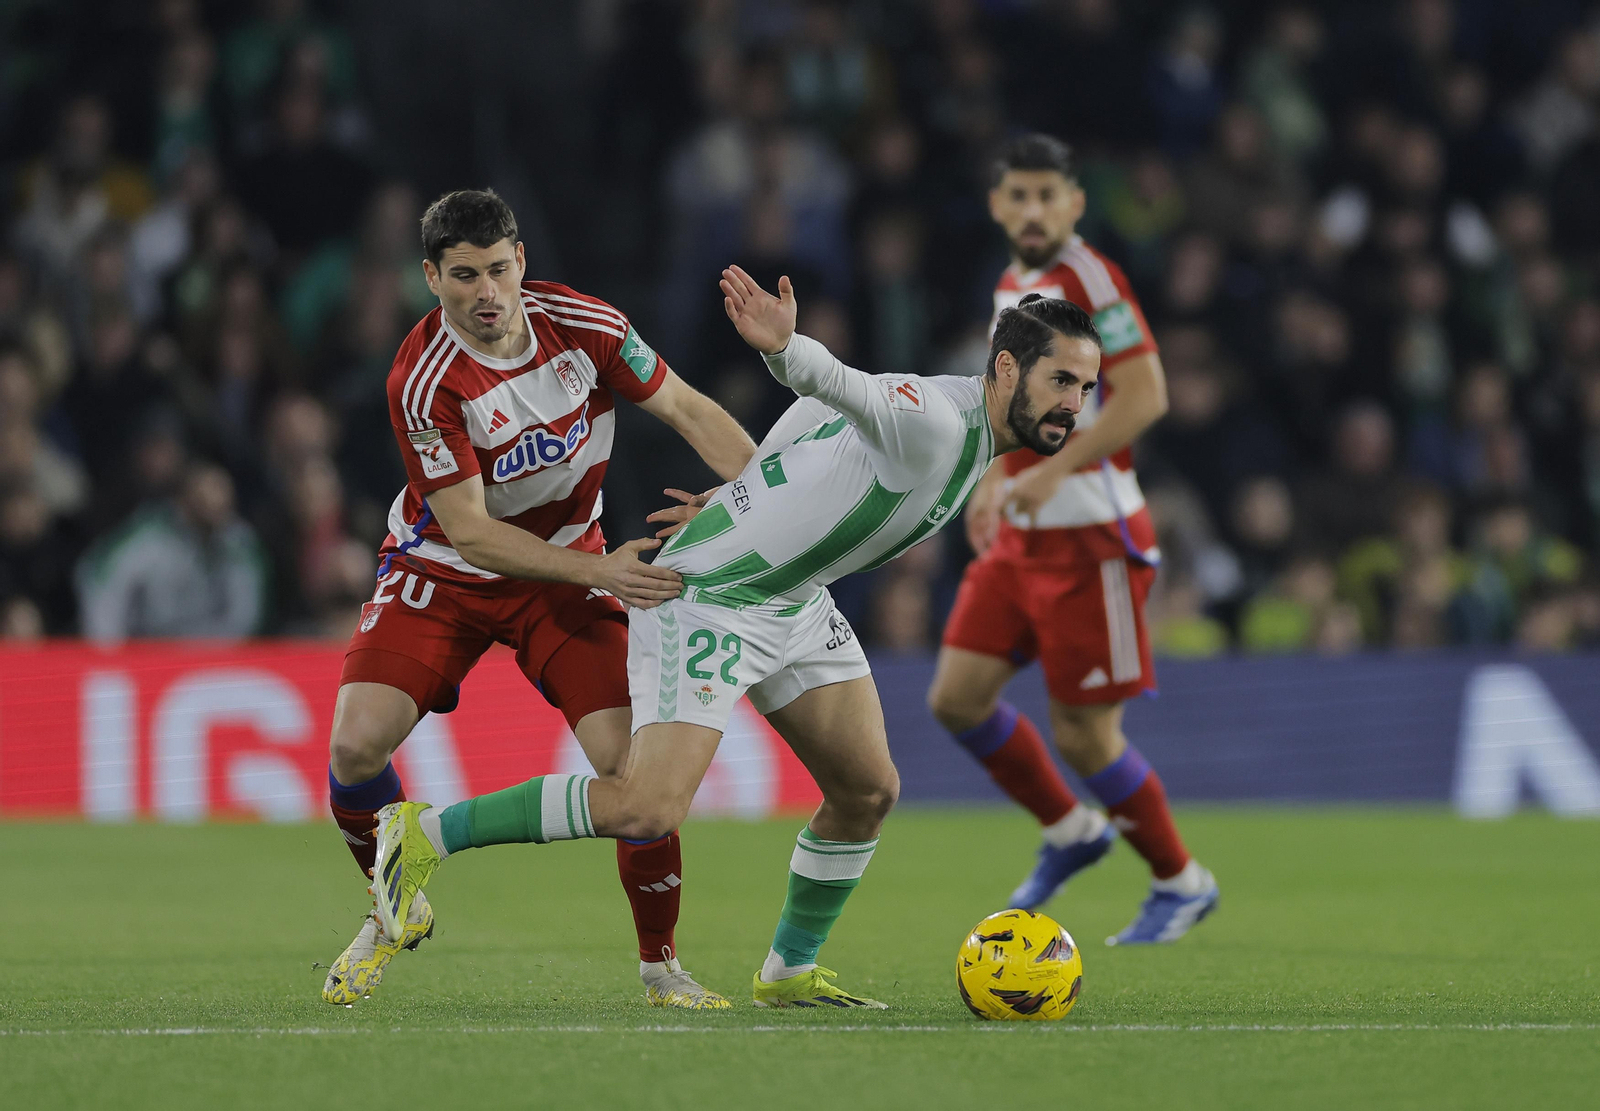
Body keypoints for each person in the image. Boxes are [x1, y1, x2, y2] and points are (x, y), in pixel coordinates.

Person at [362, 268, 1103, 1009]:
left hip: (795, 601)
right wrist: (786, 350)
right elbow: (842, 387)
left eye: (1084, 387)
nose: (1073, 404)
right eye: (1061, 380)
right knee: (644, 807)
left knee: (866, 790)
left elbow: (824, 421)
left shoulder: (965, 427)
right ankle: (427, 831)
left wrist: (748, 493)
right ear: (1006, 368)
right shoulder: (940, 421)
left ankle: (788, 971)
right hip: (712, 598)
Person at [322, 190, 756, 1009]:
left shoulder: (585, 326)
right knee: (353, 750)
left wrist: (764, 497)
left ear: (520, 260)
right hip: (445, 573)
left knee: (635, 773)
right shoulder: (422, 382)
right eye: (462, 276)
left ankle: (661, 967)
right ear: (430, 277)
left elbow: (690, 409)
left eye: (496, 270)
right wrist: (601, 573)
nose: (484, 293)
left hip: (565, 570)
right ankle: (396, 899)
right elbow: (474, 534)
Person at [928, 133, 1219, 945]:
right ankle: (1071, 830)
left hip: (1092, 536)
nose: (1031, 210)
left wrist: (1052, 473)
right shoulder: (1012, 284)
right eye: (1016, 195)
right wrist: (991, 480)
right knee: (956, 698)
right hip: (1025, 536)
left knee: (1085, 735)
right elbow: (1008, 403)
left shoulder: (1090, 279)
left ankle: (1181, 880)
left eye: (1046, 195)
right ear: (996, 204)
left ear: (1076, 203)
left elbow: (1145, 396)